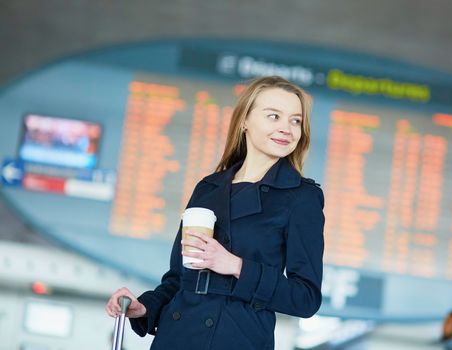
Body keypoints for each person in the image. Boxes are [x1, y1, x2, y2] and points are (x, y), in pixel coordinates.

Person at [106, 76, 325, 350]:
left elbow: (305, 298)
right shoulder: (208, 188)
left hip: (237, 339)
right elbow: (179, 279)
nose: (286, 128)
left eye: (295, 121)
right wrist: (144, 307)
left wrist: (236, 266)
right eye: (274, 116)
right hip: (176, 338)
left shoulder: (302, 197)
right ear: (245, 120)